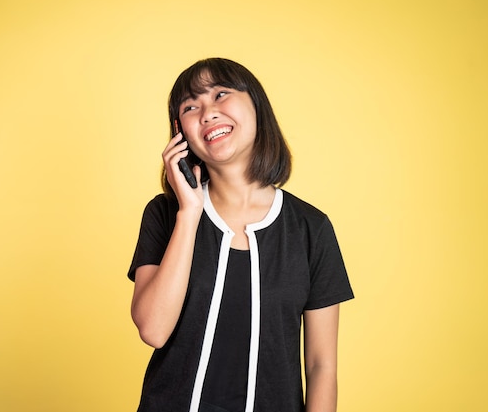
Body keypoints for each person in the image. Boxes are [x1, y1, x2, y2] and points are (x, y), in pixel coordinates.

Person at [127, 58, 354, 412]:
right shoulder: (165, 214)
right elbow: (153, 330)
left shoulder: (311, 228)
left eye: (221, 94)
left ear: (256, 106)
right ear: (179, 132)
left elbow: (321, 366)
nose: (207, 113)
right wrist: (189, 212)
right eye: (191, 106)